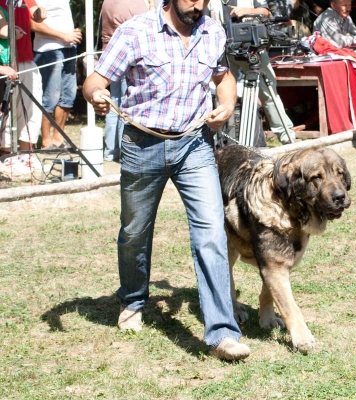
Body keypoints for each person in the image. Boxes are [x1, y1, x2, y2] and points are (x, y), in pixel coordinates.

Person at [83, 0, 250, 361]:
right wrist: (97, 96)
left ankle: (222, 333)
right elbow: (94, 82)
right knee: (134, 232)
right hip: (142, 145)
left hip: (195, 144)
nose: (198, 5)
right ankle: (132, 299)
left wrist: (228, 104)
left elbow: (223, 77)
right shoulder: (135, 31)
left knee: (211, 232)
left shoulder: (212, 31)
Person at [208, 0, 296, 144]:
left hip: (253, 51)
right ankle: (220, 139)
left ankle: (286, 135)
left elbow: (267, 13)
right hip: (223, 52)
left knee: (268, 94)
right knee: (222, 94)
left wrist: (248, 11)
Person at [100, 0, 155, 162]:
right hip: (128, 60)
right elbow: (149, 26)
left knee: (113, 104)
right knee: (126, 105)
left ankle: (110, 151)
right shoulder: (134, 3)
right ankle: (125, 151)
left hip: (108, 56)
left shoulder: (107, 2)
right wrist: (151, 6)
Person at [30, 0, 82, 150]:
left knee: (67, 96)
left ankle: (58, 138)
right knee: (49, 97)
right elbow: (33, 24)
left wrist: (72, 33)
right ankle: (46, 141)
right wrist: (63, 35)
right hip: (49, 50)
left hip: (69, 48)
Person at [0, 0, 46, 156]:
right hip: (6, 63)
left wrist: (40, 12)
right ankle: (6, 155)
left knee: (31, 108)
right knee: (6, 110)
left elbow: (35, 14)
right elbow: (3, 30)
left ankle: (27, 155)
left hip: (26, 59)